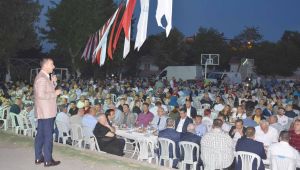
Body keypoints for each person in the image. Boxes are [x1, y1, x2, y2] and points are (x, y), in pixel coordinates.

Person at [34, 58, 61, 167]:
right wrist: (55, 93)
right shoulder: (41, 78)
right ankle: (48, 160)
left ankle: (38, 157)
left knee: (40, 135)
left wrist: (53, 82)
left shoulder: (44, 77)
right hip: (46, 113)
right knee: (48, 136)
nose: (54, 66)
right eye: (52, 64)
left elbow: (46, 90)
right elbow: (41, 95)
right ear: (45, 65)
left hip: (44, 112)